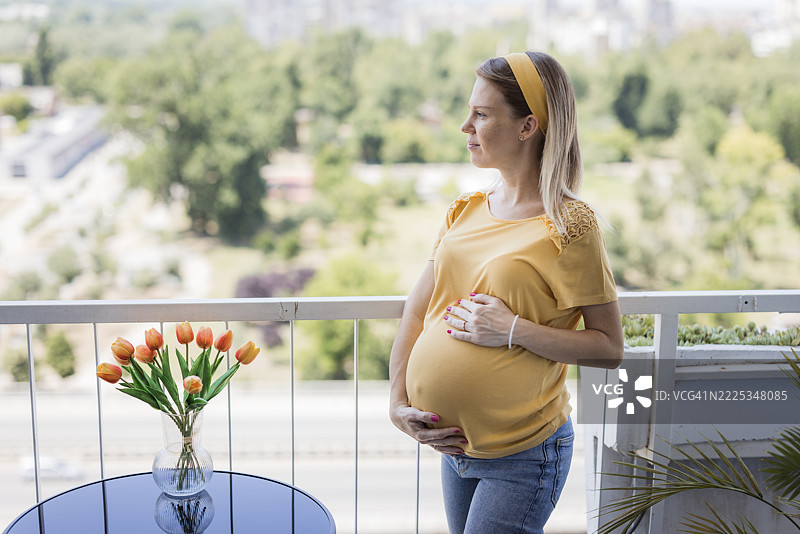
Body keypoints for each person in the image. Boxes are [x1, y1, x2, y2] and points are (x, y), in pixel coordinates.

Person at [388, 51, 624, 534]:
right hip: (454, 449)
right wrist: (397, 403)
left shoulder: (569, 225)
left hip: (524, 453)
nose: (465, 126)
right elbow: (417, 314)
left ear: (526, 126)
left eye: (481, 114)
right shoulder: (465, 210)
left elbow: (609, 346)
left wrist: (513, 330)